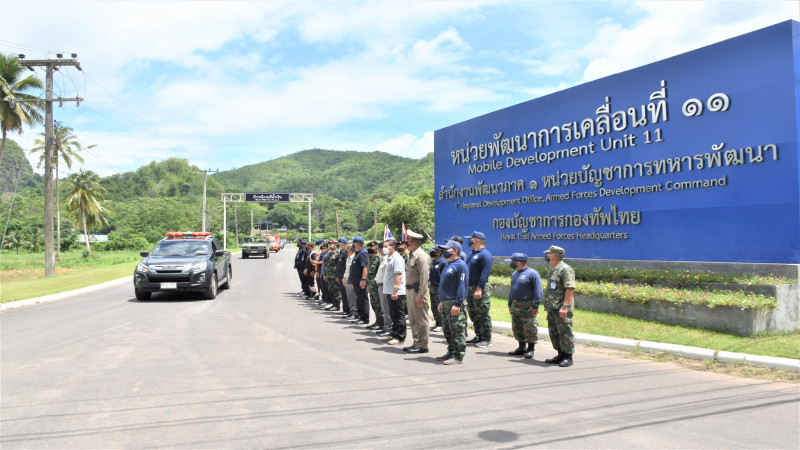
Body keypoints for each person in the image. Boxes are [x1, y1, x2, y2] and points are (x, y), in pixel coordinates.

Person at [542, 245, 576, 367]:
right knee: (554, 332)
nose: (546, 256)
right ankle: (560, 354)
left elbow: (570, 288)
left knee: (564, 332)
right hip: (552, 307)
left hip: (561, 307)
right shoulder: (553, 269)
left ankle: (568, 356)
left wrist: (565, 306)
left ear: (554, 255)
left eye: (548, 254)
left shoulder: (565, 269)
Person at [505, 253, 543, 359]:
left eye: (512, 262)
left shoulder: (532, 274)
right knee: (517, 327)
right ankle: (521, 347)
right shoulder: (515, 274)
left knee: (529, 327)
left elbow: (538, 291)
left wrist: (535, 305)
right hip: (515, 305)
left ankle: (530, 349)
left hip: (527, 305)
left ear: (518, 262)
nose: (511, 264)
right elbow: (512, 290)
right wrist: (509, 304)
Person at [437, 240, 468, 365]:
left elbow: (462, 286)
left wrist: (458, 303)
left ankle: (458, 355)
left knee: (457, 330)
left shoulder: (461, 265)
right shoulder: (448, 264)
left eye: (447, 250)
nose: (444, 252)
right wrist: (441, 301)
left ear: (455, 251)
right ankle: (451, 351)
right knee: (447, 329)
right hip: (445, 301)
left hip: (454, 302)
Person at [403, 230, 431, 354]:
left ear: (413, 242)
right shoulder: (412, 255)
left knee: (421, 319)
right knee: (413, 319)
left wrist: (421, 295)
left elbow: (424, 278)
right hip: (410, 291)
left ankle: (422, 345)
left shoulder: (422, 256)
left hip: (417, 292)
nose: (407, 242)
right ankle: (416, 342)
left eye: (408, 241)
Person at [465, 231, 493, 348]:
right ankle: (478, 336)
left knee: (482, 313)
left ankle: (486, 339)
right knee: (473, 313)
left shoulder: (485, 254)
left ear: (476, 240)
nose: (469, 241)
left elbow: (485, 273)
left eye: (471, 238)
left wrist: (479, 288)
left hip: (478, 287)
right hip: (469, 287)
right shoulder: (471, 254)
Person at [381, 239, 407, 345]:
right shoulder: (389, 258)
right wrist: (387, 290)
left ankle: (400, 336)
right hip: (390, 291)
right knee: (393, 314)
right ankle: (394, 334)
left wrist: (395, 291)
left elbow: (398, 275)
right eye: (384, 246)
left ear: (393, 247)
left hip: (396, 292)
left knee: (399, 314)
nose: (384, 248)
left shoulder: (397, 259)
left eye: (386, 246)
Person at [350, 237, 370, 325]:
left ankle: (364, 318)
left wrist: (363, 280)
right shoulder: (359, 252)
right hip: (356, 280)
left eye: (353, 243)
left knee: (363, 299)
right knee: (359, 299)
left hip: (360, 281)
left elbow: (365, 267)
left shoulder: (363, 253)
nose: (352, 245)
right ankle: (361, 316)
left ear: (356, 244)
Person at [375, 241, 393, 337]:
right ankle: (386, 327)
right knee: (383, 308)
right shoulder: (383, 259)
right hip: (380, 285)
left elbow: (388, 277)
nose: (378, 251)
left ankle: (389, 328)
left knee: (386, 309)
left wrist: (386, 288)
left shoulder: (387, 260)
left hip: (384, 286)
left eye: (379, 249)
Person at [365, 240, 384, 330]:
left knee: (378, 304)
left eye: (371, 248)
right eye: (368, 248)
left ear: (376, 248)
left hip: (377, 285)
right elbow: (369, 273)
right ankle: (377, 321)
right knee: (374, 303)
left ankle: (381, 323)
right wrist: (368, 284)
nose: (369, 249)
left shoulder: (379, 258)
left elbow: (379, 273)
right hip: (371, 285)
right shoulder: (370, 258)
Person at [428, 245, 446, 332]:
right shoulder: (434, 262)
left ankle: (442, 323)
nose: (432, 253)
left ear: (439, 252)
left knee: (439, 306)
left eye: (434, 251)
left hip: (439, 287)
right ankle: (437, 322)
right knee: (434, 306)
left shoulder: (443, 263)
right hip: (432, 286)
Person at [323, 239, 341, 311]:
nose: (330, 245)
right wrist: (325, 274)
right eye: (329, 244)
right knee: (331, 290)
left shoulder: (338, 254)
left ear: (336, 245)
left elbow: (339, 266)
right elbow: (326, 265)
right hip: (329, 275)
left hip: (334, 276)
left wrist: (337, 276)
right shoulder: (328, 254)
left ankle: (337, 305)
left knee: (336, 290)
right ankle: (333, 304)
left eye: (332, 244)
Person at [335, 238, 351, 317]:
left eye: (340, 243)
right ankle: (345, 309)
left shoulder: (345, 253)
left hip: (344, 276)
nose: (338, 244)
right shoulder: (341, 252)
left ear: (344, 244)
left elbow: (346, 266)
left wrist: (344, 276)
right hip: (341, 276)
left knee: (345, 294)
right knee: (343, 294)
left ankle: (347, 310)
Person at [343, 244, 357, 320]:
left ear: (349, 249)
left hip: (351, 280)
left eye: (346, 249)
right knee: (349, 298)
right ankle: (351, 312)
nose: (345, 250)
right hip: (347, 279)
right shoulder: (348, 258)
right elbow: (347, 270)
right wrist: (344, 277)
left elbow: (353, 271)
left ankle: (355, 313)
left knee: (353, 298)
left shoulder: (354, 257)